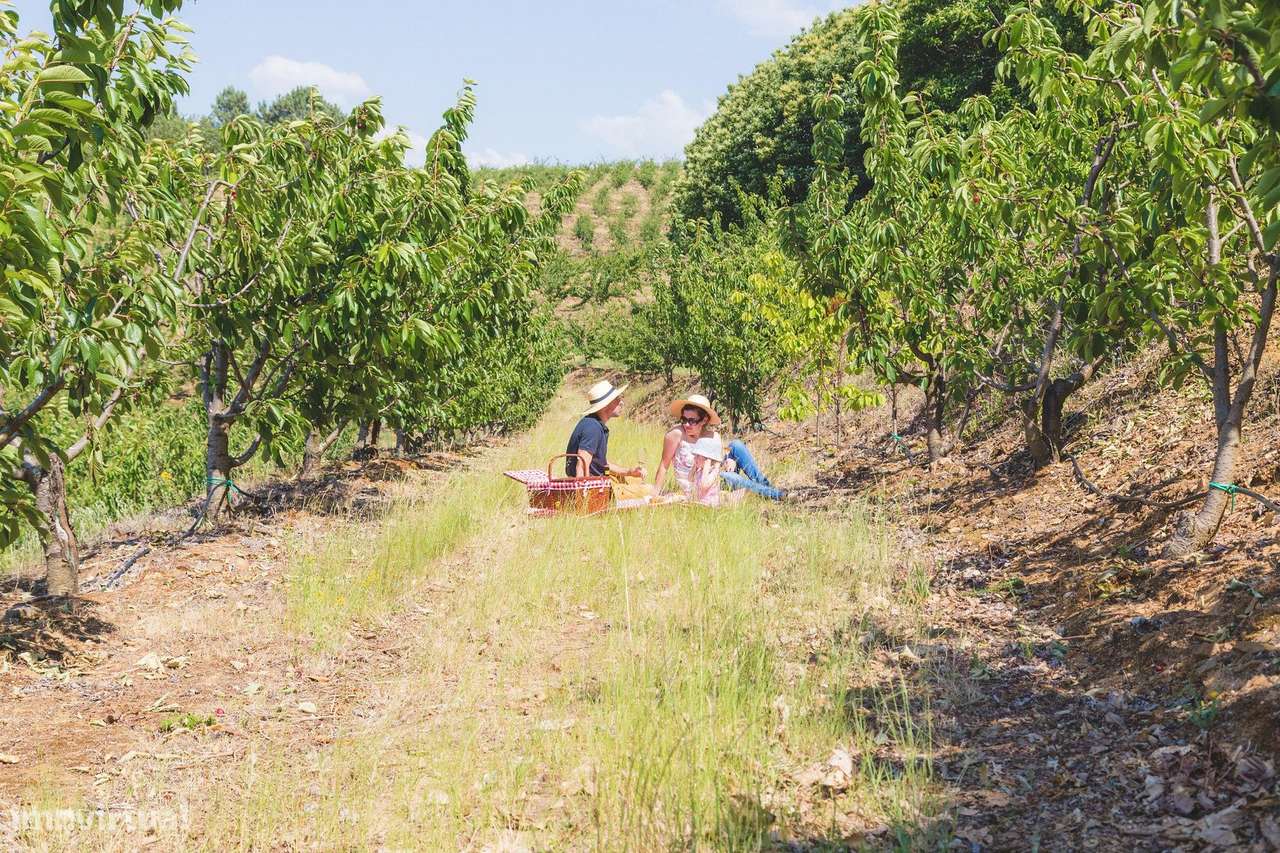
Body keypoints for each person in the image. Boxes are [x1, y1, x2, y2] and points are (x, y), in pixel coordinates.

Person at [653, 394, 786, 502]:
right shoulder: (676, 434)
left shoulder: (713, 436)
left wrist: (728, 461)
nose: (687, 424)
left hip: (715, 473)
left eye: (692, 421)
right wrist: (655, 494)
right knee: (731, 478)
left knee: (736, 445)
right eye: (684, 419)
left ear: (704, 420)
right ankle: (777, 494)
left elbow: (716, 463)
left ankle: (764, 486)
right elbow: (664, 465)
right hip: (700, 484)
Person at [565, 379, 644, 478]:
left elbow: (601, 464)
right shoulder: (593, 427)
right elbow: (581, 464)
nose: (621, 403)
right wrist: (585, 490)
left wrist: (629, 472)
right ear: (606, 405)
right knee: (647, 490)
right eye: (617, 399)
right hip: (594, 487)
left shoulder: (594, 424)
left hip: (597, 482)